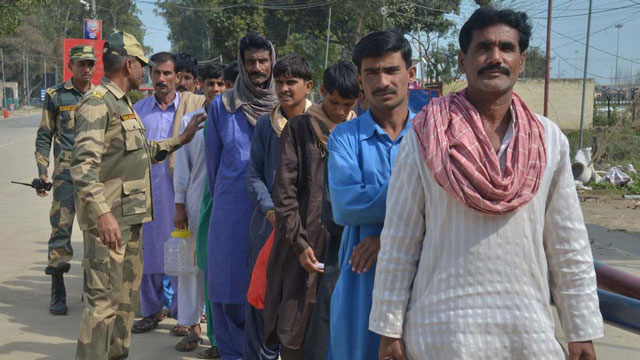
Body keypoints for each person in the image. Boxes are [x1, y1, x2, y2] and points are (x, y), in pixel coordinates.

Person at [370, 8, 604, 360]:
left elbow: (568, 244)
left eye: (506, 48)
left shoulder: (548, 139)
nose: (495, 57)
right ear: (463, 60)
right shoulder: (425, 136)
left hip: (527, 334)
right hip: (441, 333)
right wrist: (388, 327)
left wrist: (581, 329)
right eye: (483, 48)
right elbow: (400, 239)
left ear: (521, 61)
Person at [71, 30, 205, 359]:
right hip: (109, 223)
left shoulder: (124, 106)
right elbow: (82, 166)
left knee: (125, 304)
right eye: (143, 65)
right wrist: (102, 214)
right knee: (102, 304)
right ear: (129, 65)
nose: (145, 72)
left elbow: (143, 151)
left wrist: (180, 140)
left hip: (129, 221)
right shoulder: (97, 103)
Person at [325, 30, 416, 360]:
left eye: (391, 70)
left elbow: (446, 207)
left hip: (421, 276)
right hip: (361, 280)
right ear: (360, 81)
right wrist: (417, 200)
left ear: (411, 74)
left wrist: (388, 239)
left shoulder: (432, 136)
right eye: (371, 73)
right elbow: (346, 206)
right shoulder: (344, 138)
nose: (383, 81)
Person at [204, 33, 278, 360]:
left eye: (263, 60)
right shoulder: (223, 106)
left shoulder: (284, 103)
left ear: (272, 61)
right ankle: (232, 352)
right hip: (231, 209)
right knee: (228, 285)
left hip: (273, 212)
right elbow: (212, 163)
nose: (257, 67)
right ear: (242, 64)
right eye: (251, 62)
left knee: (268, 285)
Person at [132, 52, 205, 335]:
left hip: (180, 195)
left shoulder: (190, 110)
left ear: (177, 77)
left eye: (166, 74)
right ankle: (152, 309)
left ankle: (184, 315)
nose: (161, 79)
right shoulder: (139, 109)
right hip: (148, 193)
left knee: (182, 253)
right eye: (156, 73)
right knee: (149, 251)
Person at [247, 54, 313, 359]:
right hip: (269, 225)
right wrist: (273, 213)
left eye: (292, 82)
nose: (284, 88)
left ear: (308, 86)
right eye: (280, 82)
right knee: (263, 299)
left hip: (308, 229)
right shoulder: (265, 125)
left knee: (302, 301)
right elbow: (255, 175)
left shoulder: (320, 124)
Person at [299, 61, 359, 360]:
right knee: (313, 308)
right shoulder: (302, 126)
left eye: (346, 104)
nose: (338, 111)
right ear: (321, 92)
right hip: (311, 229)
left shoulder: (358, 130)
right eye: (334, 102)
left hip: (350, 236)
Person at [34, 45, 96, 315]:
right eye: (82, 64)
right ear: (71, 65)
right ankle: (58, 292)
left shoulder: (101, 96)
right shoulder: (56, 95)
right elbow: (44, 134)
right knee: (61, 232)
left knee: (94, 233)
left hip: (95, 178)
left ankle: (92, 290)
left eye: (90, 64)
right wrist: (42, 170)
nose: (87, 69)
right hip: (65, 178)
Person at [173, 62, 227, 355]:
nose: (216, 90)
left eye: (221, 84)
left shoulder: (234, 117)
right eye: (210, 84)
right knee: (190, 269)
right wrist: (179, 205)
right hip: (195, 204)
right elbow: (182, 168)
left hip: (226, 205)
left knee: (218, 271)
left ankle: (219, 337)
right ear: (200, 86)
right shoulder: (191, 122)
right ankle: (191, 327)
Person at [196, 61, 235, 359]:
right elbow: (210, 168)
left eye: (225, 84)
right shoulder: (210, 117)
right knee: (215, 272)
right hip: (215, 202)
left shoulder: (267, 116)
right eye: (216, 84)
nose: (220, 90)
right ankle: (218, 340)